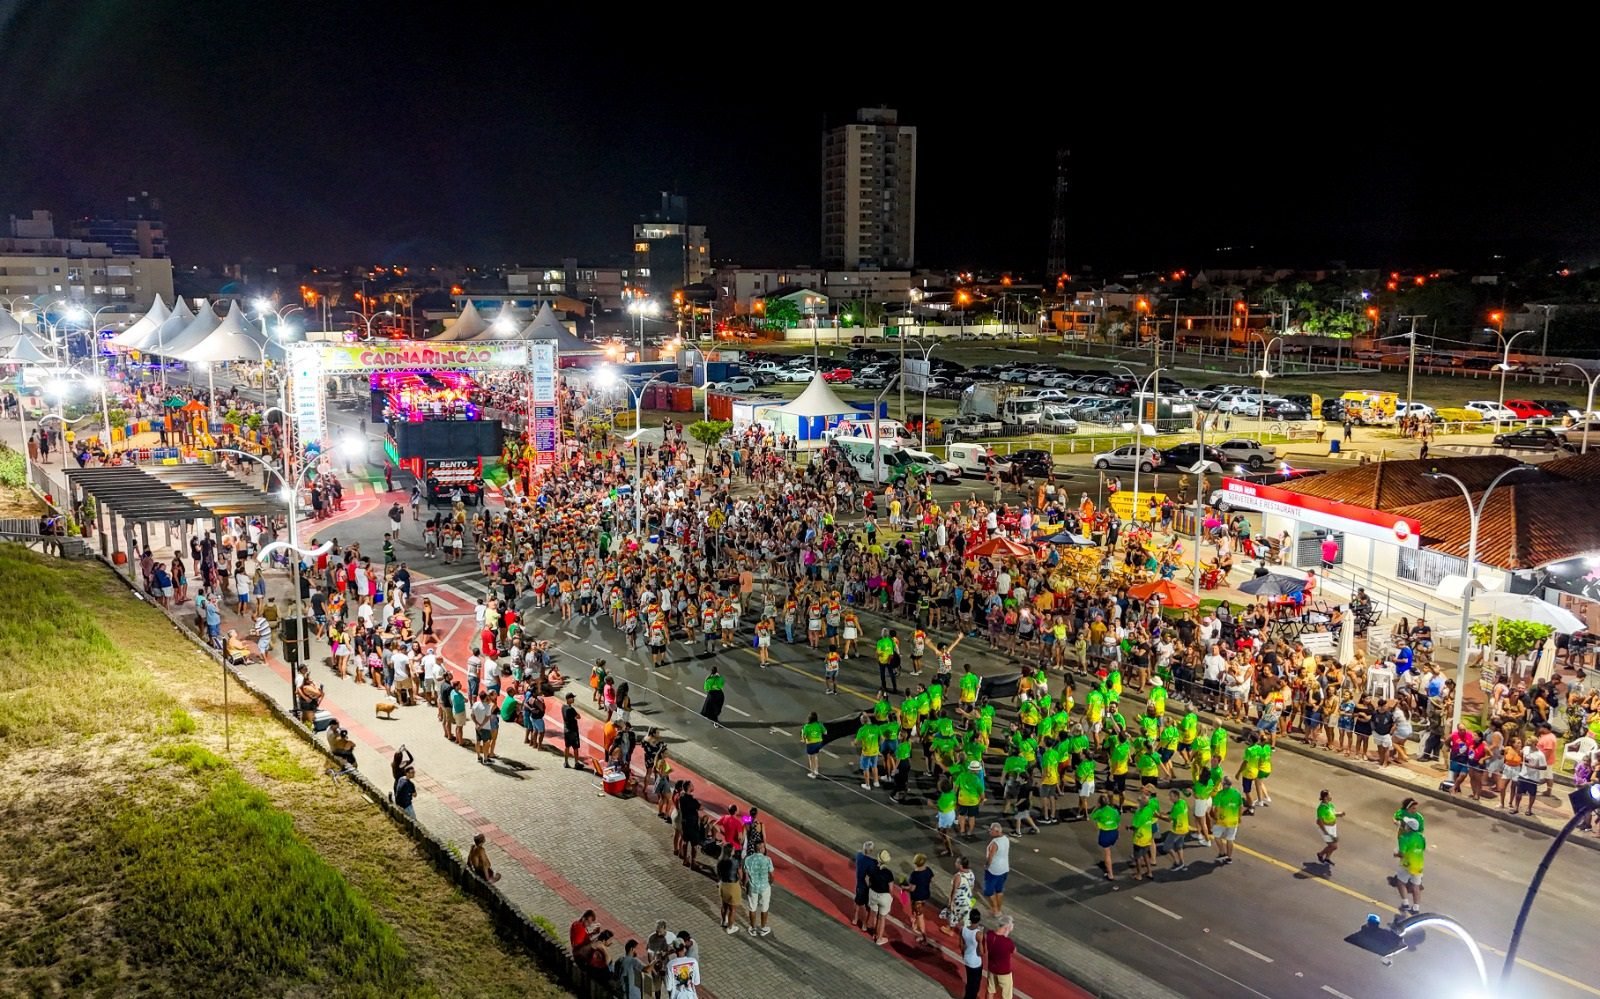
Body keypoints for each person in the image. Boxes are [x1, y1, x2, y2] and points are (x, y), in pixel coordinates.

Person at [1394, 798, 1426, 913]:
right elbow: (1423, 848)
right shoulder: (1421, 838)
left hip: (1407, 864)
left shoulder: (1404, 838)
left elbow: (1402, 853)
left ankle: (1405, 902)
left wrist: (1396, 854)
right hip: (1418, 865)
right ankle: (1416, 906)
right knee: (1416, 886)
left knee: (1401, 882)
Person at [743, 841, 774, 937]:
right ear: (761, 849)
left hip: (753, 886)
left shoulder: (748, 859)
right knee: (765, 907)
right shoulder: (767, 859)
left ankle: (753, 928)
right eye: (763, 847)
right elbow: (771, 875)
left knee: (752, 907)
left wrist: (745, 885)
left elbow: (745, 875)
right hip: (765, 887)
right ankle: (763, 927)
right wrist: (770, 883)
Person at [865, 848, 896, 945]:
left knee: (873, 913)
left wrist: (870, 888)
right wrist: (891, 898)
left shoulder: (873, 869)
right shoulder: (888, 873)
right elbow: (891, 889)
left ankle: (872, 931)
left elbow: (867, 880)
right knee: (882, 917)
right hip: (884, 896)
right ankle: (879, 938)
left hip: (873, 893)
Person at [1211, 776, 1244, 864]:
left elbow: (1216, 809)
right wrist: (1239, 817)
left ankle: (1222, 852)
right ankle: (1229, 858)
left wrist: (1215, 818)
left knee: (1217, 836)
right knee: (1230, 839)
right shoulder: (1237, 793)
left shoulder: (1220, 794)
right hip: (1233, 821)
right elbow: (1241, 807)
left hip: (1222, 820)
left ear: (1224, 785)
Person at [985, 914, 1017, 999]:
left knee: (990, 990)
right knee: (1006, 995)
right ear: (1006, 927)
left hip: (992, 968)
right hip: (1004, 972)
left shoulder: (989, 934)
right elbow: (1014, 951)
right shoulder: (1007, 942)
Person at [983, 822, 1010, 915]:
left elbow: (990, 857)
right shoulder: (1006, 839)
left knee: (989, 891)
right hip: (1004, 868)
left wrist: (986, 866)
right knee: (999, 890)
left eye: (991, 830)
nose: (990, 831)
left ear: (997, 831)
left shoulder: (995, 843)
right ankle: (999, 908)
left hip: (994, 870)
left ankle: (995, 910)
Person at [715, 844, 743, 934]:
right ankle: (730, 927)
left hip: (723, 885)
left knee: (724, 905)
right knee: (732, 909)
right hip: (733, 886)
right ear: (730, 851)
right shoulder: (735, 861)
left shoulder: (720, 861)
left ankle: (723, 921)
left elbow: (718, 874)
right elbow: (740, 874)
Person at [851, 840, 877, 931]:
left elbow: (859, 852)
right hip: (867, 887)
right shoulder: (872, 862)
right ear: (871, 850)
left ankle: (855, 919)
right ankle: (864, 924)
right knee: (867, 907)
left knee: (857, 902)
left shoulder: (859, 856)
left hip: (859, 884)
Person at [1314, 789, 1343, 868]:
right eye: (1329, 795)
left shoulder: (1330, 805)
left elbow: (1333, 813)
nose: (1331, 797)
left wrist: (1339, 814)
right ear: (1325, 797)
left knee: (1333, 845)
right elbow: (1320, 822)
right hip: (1326, 829)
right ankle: (1320, 854)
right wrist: (1326, 833)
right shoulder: (1321, 808)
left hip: (1333, 827)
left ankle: (1327, 858)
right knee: (1334, 846)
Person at [959, 908, 984, 999]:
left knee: (969, 982)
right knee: (975, 985)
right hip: (975, 962)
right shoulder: (978, 934)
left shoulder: (963, 929)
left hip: (967, 959)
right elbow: (981, 952)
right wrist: (981, 940)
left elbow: (961, 945)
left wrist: (964, 954)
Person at [562, 692, 584, 770]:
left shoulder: (563, 707)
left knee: (567, 746)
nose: (573, 699)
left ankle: (566, 762)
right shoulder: (571, 709)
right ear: (569, 699)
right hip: (573, 731)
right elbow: (579, 716)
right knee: (575, 747)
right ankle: (576, 763)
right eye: (572, 698)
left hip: (566, 729)